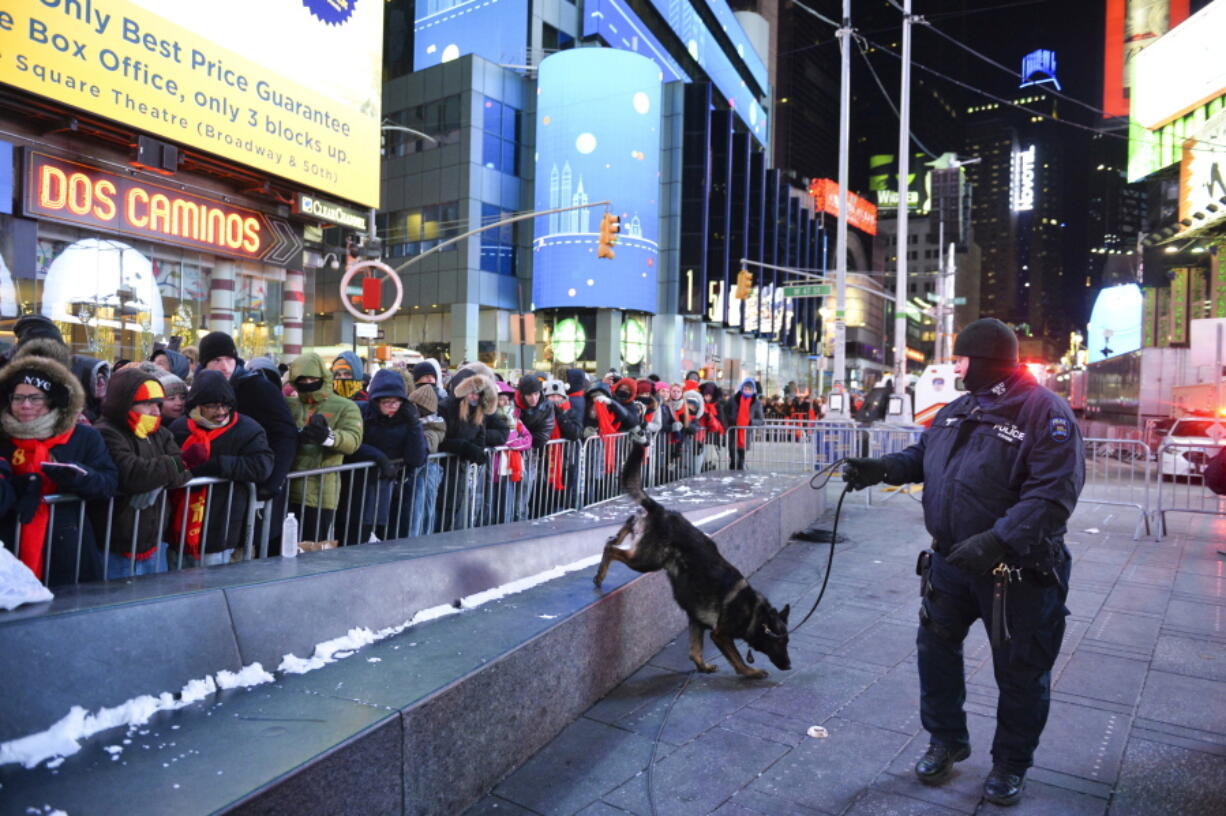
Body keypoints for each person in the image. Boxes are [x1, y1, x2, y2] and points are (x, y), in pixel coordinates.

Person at [841, 318, 1084, 807]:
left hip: (1015, 572)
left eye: (961, 358)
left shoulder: (1044, 411)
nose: (954, 366)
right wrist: (883, 468)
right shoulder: (960, 407)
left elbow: (1053, 494)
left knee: (1020, 671)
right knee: (936, 653)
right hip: (951, 563)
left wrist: (998, 541)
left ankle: (1011, 763)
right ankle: (946, 738)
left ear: (986, 360)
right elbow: (925, 453)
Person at [0, 347, 117, 586]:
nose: (25, 405)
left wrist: (78, 477)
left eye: (35, 398)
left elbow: (109, 484)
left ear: (52, 400)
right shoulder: (2, 437)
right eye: (18, 397)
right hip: (8, 544)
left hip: (67, 547)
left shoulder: (83, 436)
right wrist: (15, 489)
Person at [197, 331, 298, 554]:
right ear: (204, 364)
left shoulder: (257, 387)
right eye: (216, 360)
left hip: (254, 485)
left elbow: (286, 434)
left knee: (245, 553)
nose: (224, 366)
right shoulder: (199, 389)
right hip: (214, 496)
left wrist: (272, 482)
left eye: (229, 359)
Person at [91, 367, 195, 578]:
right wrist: (173, 466)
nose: (156, 411)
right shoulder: (105, 432)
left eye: (157, 404)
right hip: (114, 547)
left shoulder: (160, 433)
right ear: (125, 402)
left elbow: (186, 472)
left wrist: (158, 476)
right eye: (148, 404)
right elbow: (132, 474)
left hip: (154, 543)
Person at [169, 370, 274, 567]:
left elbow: (262, 466)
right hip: (177, 528)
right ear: (197, 405)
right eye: (212, 406)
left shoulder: (248, 429)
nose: (221, 412)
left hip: (222, 529)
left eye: (226, 405)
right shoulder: (179, 428)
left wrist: (219, 466)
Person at [285, 352, 364, 544]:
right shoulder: (289, 405)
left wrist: (329, 437)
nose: (308, 383)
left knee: (311, 548)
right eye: (303, 379)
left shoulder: (345, 406)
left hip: (319, 493)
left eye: (313, 378)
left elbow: (353, 439)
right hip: (286, 489)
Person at [342, 368, 427, 542]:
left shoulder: (406, 418)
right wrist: (378, 457)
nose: (393, 406)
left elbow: (417, 458)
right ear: (375, 400)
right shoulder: (359, 411)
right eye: (387, 402)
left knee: (392, 542)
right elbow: (352, 443)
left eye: (397, 402)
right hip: (358, 490)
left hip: (393, 492)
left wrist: (414, 424)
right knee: (354, 540)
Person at [407, 383, 445, 536]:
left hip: (427, 475)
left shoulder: (435, 426)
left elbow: (427, 445)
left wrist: (413, 425)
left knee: (421, 513)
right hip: (417, 476)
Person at [514, 374, 553, 520]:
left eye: (536, 393)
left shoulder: (546, 405)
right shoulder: (512, 403)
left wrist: (520, 441)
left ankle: (521, 521)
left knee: (524, 493)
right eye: (529, 394)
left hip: (531, 454)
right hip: (508, 455)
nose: (533, 398)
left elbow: (543, 436)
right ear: (522, 394)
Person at [720, 377, 766, 470]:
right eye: (745, 388)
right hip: (733, 432)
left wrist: (750, 422)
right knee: (733, 459)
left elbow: (761, 420)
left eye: (749, 389)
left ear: (753, 390)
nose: (747, 391)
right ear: (742, 388)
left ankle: (740, 478)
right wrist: (729, 421)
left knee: (741, 460)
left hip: (746, 434)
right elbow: (724, 412)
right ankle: (732, 476)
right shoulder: (733, 399)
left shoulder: (756, 402)